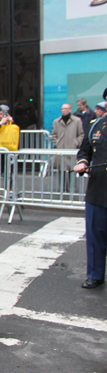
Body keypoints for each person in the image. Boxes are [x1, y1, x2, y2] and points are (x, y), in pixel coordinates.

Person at [74, 101, 107, 289]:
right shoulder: (97, 125)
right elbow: (85, 151)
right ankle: (95, 275)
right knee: (95, 234)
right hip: (98, 188)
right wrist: (82, 162)